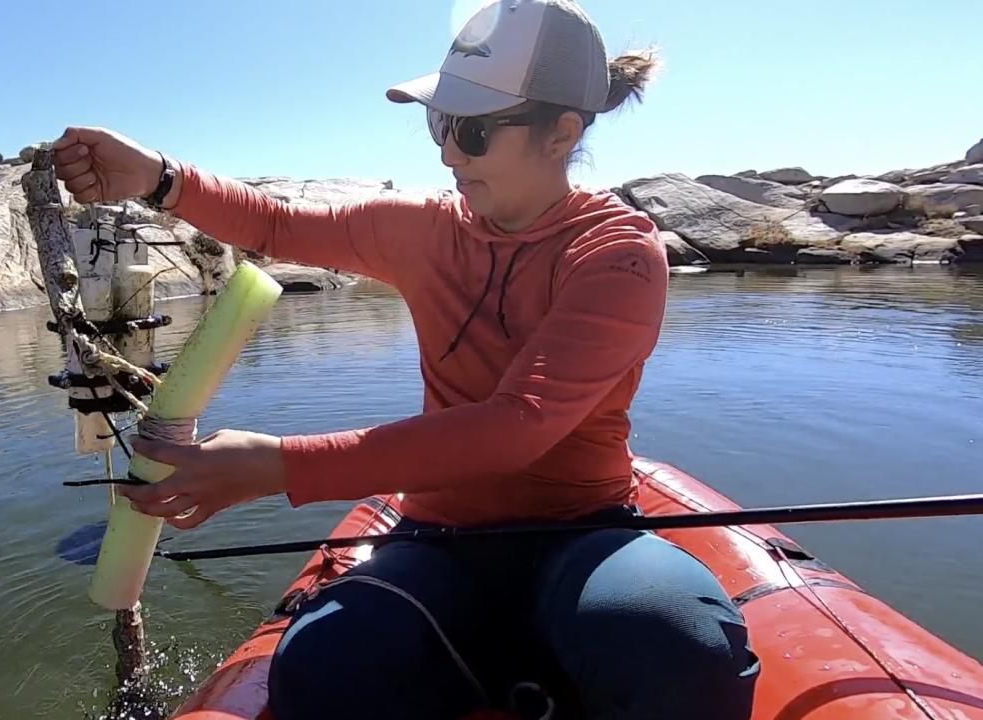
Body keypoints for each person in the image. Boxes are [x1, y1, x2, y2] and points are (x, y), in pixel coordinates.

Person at [53, 1, 760, 717]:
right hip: (441, 542)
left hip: (584, 533)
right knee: (322, 665)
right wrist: (157, 176)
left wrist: (276, 466)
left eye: (474, 131)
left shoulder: (616, 253)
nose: (448, 151)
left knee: (680, 650)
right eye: (441, 123)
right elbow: (271, 222)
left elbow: (517, 425)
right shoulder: (421, 228)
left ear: (564, 134)